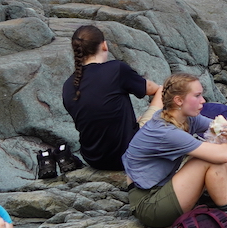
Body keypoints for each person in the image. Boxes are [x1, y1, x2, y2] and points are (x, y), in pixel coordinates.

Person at [123, 72, 227, 228]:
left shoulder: (185, 118)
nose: (203, 101)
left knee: (215, 149)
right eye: (197, 96)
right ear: (179, 100)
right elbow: (223, 155)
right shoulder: (166, 131)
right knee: (209, 159)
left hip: (162, 187)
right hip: (149, 205)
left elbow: (220, 128)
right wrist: (226, 138)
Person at [62, 24, 160, 171]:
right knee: (165, 92)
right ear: (104, 46)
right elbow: (154, 89)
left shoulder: (68, 85)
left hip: (94, 159)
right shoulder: (116, 69)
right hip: (128, 155)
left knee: (138, 120)